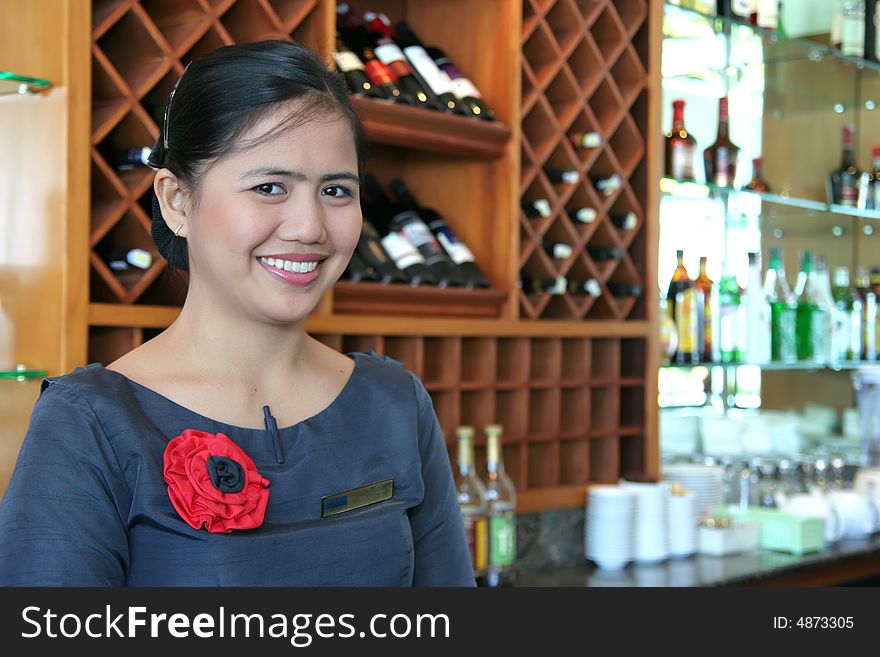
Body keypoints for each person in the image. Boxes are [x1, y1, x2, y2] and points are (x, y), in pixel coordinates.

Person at [0, 41, 474, 587]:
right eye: (269, 187)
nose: (310, 226)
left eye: (336, 190)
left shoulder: (394, 403)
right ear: (177, 200)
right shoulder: (91, 422)